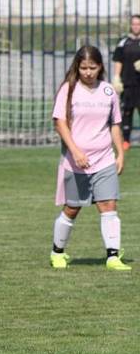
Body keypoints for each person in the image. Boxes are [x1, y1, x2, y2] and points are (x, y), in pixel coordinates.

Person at [50, 45, 131, 271]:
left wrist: (120, 153)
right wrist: (75, 151)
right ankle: (57, 252)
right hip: (76, 162)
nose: (88, 72)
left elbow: (114, 124)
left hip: (104, 159)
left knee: (108, 205)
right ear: (78, 67)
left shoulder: (108, 91)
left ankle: (113, 256)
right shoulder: (68, 90)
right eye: (84, 67)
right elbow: (60, 123)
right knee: (72, 208)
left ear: (100, 67)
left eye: (92, 68)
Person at [111, 15, 140, 150]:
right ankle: (126, 141)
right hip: (127, 84)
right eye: (134, 24)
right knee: (127, 112)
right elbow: (118, 60)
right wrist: (116, 77)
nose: (136, 26)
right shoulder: (123, 42)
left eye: (138, 24)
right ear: (130, 25)